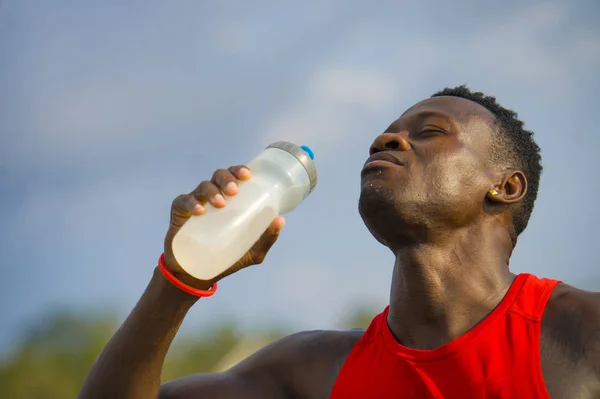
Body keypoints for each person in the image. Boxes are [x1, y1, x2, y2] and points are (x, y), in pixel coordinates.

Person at [77, 86, 600, 399]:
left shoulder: (580, 335)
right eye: (388, 133)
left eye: (430, 132)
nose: (387, 140)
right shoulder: (312, 372)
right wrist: (180, 278)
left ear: (505, 187)